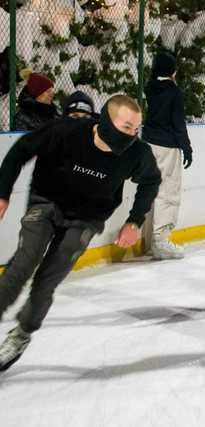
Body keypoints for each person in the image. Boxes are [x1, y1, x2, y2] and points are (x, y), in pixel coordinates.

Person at [0, 94, 161, 371]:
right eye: (126, 128)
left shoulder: (137, 153)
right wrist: (2, 193)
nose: (132, 136)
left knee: (47, 280)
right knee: (24, 263)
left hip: (87, 218)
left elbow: (151, 181)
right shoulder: (65, 132)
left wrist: (134, 221)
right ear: (107, 122)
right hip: (47, 202)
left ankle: (22, 333)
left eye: (136, 130)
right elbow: (21, 150)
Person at [142, 52, 193, 260]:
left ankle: (148, 241)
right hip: (167, 147)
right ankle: (160, 241)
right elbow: (178, 124)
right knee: (168, 191)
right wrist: (187, 148)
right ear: (172, 71)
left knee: (150, 190)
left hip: (148, 144)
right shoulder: (174, 93)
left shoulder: (150, 88)